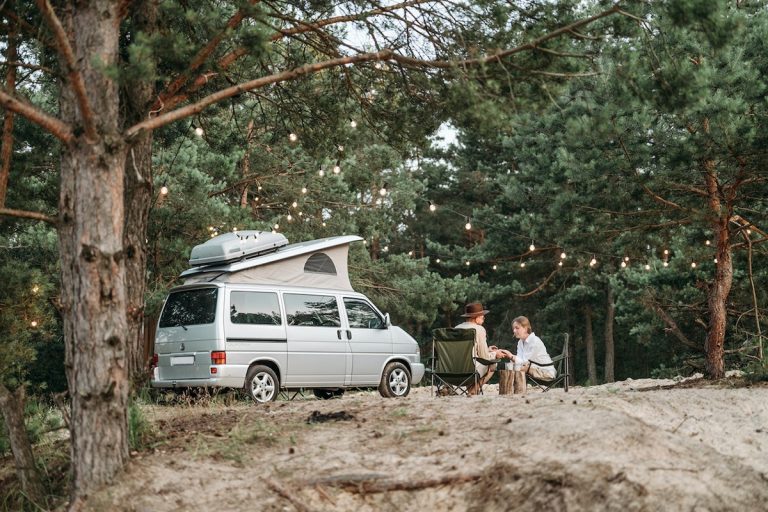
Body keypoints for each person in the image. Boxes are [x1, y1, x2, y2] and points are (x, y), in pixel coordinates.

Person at [454, 302, 500, 395]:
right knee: (493, 364)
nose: (484, 317)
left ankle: (471, 390)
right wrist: (495, 354)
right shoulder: (479, 329)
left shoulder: (456, 328)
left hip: (452, 372)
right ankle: (474, 390)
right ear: (476, 317)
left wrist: (488, 349)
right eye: (482, 316)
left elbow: (466, 351)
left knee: (473, 363)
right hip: (470, 372)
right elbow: (485, 357)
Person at [507, 316, 556, 383]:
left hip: (546, 372)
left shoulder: (535, 341)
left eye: (517, 328)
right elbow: (520, 361)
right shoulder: (520, 342)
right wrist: (511, 357)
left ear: (526, 329)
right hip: (532, 368)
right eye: (513, 328)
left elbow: (525, 363)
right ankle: (511, 387)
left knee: (515, 365)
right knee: (511, 364)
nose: (514, 330)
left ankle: (513, 386)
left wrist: (511, 356)